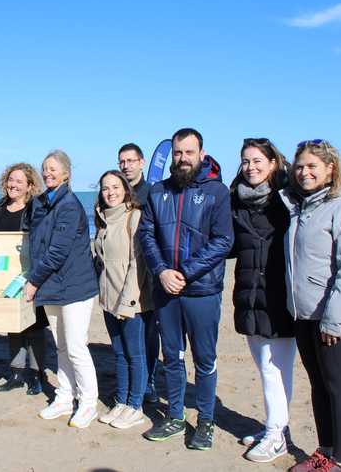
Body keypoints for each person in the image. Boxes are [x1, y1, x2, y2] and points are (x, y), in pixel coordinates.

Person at [138, 128, 233, 450]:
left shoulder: (217, 192)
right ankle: (176, 417)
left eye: (188, 153)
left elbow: (223, 240)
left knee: (204, 360)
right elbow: (146, 235)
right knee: (173, 357)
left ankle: (206, 421)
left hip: (202, 291)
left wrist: (185, 273)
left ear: (201, 155)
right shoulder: (158, 191)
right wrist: (162, 271)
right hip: (167, 291)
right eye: (177, 153)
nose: (182, 159)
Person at [281, 140, 341, 472]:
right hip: (304, 314)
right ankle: (325, 452)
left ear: (331, 168)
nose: (304, 172)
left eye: (312, 166)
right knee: (319, 386)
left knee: (337, 385)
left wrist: (333, 319)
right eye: (300, 166)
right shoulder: (302, 207)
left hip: (335, 316)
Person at [229, 139, 295, 463]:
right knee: (263, 366)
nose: (250, 167)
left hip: (279, 296)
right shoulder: (237, 200)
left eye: (257, 161)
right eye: (245, 161)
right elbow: (229, 245)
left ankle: (276, 436)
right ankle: (276, 427)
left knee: (275, 369)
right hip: (249, 292)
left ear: (272, 163)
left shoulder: (288, 199)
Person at [23, 150, 100, 429]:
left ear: (66, 173)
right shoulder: (43, 202)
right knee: (62, 346)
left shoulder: (69, 204)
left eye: (54, 169)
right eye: (45, 168)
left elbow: (57, 251)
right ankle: (65, 396)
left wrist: (32, 282)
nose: (48, 173)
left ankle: (88, 401)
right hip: (52, 286)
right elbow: (34, 240)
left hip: (75, 287)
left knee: (77, 346)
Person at [93, 170, 155, 430]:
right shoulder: (103, 221)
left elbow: (136, 264)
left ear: (125, 189)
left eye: (116, 187)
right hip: (109, 299)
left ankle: (135, 406)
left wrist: (127, 302)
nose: (111, 192)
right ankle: (121, 400)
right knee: (119, 354)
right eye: (106, 188)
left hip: (132, 302)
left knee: (135, 354)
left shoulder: (134, 218)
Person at [0, 163, 48, 395]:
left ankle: (37, 375)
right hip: (4, 278)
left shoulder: (37, 209)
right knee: (13, 326)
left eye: (19, 181)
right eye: (11, 179)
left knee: (34, 326)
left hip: (30, 276)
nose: (13, 184)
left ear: (30, 185)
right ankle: (16, 374)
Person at [118, 142, 160, 404]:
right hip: (120, 272)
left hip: (148, 271)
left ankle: (149, 381)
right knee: (125, 332)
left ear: (142, 162)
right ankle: (131, 381)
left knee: (148, 330)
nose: (126, 165)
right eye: (122, 161)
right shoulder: (116, 191)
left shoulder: (152, 193)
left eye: (131, 161)